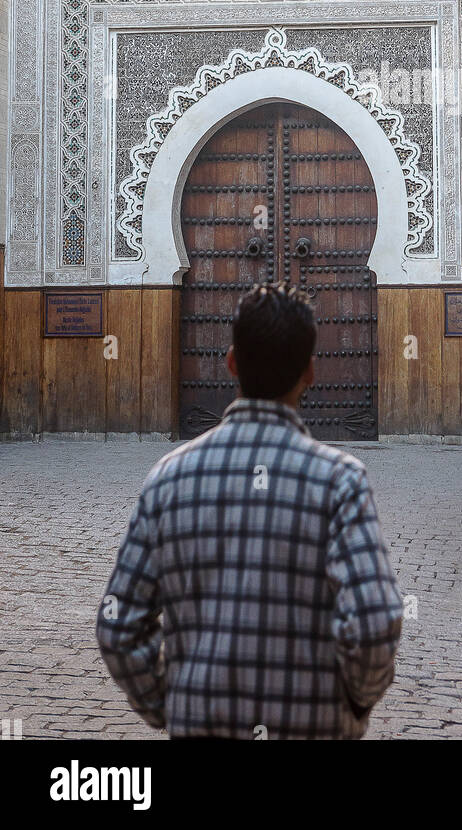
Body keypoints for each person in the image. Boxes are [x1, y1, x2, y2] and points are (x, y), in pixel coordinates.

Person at [96, 283, 403, 739]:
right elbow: (375, 621)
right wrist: (352, 702)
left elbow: (117, 622)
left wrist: (172, 703)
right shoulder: (340, 480)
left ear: (232, 363)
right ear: (311, 372)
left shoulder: (167, 478)